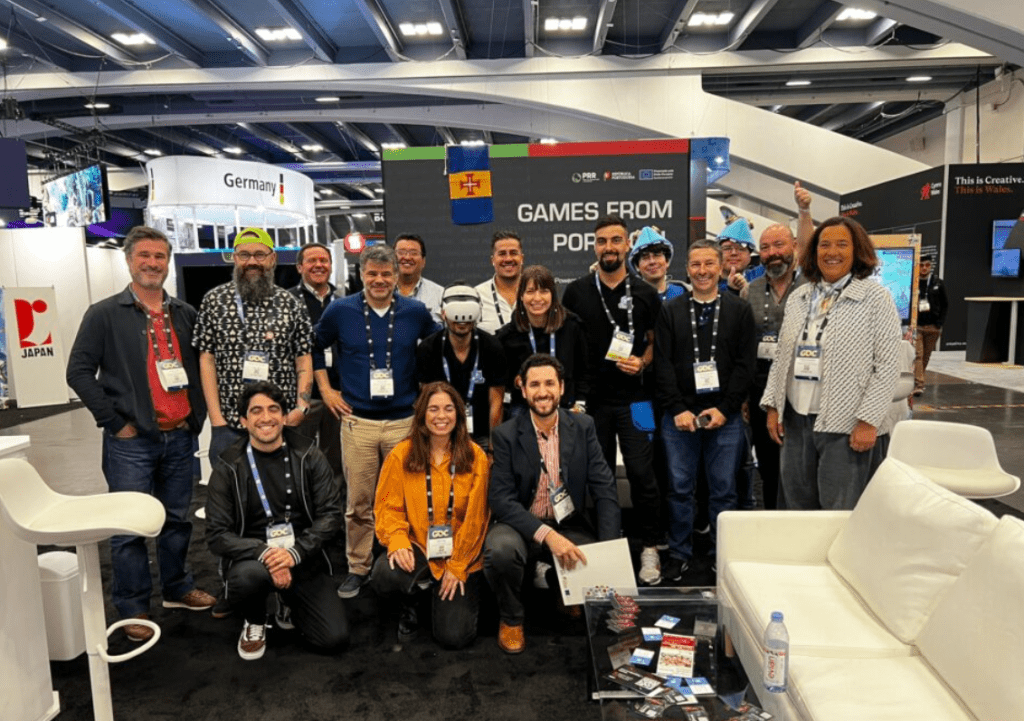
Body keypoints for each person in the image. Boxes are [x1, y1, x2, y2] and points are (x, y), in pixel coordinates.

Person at [66, 225, 215, 642]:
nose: (152, 263)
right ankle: (132, 607)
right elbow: (78, 372)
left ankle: (178, 588)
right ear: (129, 260)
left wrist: (196, 417)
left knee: (177, 519)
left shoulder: (185, 314)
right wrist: (115, 423)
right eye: (144, 256)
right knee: (128, 525)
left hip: (179, 435)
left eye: (159, 256)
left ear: (168, 262)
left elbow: (202, 366)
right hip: (130, 442)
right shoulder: (104, 314)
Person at [312, 243, 439, 599]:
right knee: (359, 501)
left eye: (386, 274)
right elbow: (313, 346)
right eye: (372, 274)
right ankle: (358, 566)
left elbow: (437, 346)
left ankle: (412, 561)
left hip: (404, 421)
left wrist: (428, 396)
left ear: (397, 276)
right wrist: (326, 390)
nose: (379, 280)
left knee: (411, 498)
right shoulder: (340, 311)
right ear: (361, 275)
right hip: (358, 422)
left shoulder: (414, 311)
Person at [761, 216, 902, 510]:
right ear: (814, 252)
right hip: (796, 420)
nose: (832, 252)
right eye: (824, 245)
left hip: (847, 424)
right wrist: (773, 406)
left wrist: (869, 421)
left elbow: (888, 366)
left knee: (840, 510)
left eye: (842, 244)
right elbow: (782, 357)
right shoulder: (800, 297)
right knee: (797, 506)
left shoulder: (876, 298)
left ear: (857, 250)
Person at [483, 355, 621, 654]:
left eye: (549, 383)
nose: (542, 392)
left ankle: (562, 586)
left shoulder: (583, 426)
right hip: (521, 526)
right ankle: (511, 617)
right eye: (534, 385)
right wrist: (548, 536)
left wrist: (609, 549)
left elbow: (604, 487)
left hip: (568, 523)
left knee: (590, 570)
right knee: (500, 551)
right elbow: (501, 499)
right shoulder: (506, 434)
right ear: (523, 390)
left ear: (561, 388)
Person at [205, 382, 348, 660]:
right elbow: (216, 534)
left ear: (284, 417)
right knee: (248, 578)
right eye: (256, 411)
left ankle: (287, 600)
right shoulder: (228, 466)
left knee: (334, 639)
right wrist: (264, 552)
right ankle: (255, 620)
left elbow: (331, 515)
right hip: (253, 560)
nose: (266, 417)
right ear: (243, 420)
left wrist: (294, 553)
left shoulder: (309, 455)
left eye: (273, 409)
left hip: (302, 555)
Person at [562, 215, 663, 586]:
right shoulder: (576, 292)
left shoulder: (645, 292)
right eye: (602, 241)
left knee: (643, 473)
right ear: (595, 246)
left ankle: (650, 546)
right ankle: (608, 545)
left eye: (616, 240)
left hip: (638, 401)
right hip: (595, 403)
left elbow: (654, 342)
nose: (609, 247)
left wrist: (643, 362)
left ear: (627, 245)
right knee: (599, 476)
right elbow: (569, 347)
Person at [654, 239, 756, 580]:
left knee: (723, 490)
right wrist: (677, 409)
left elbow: (745, 365)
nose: (702, 271)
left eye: (709, 264)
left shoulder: (739, 310)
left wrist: (726, 409)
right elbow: (663, 365)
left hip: (724, 417)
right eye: (695, 265)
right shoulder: (671, 310)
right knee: (679, 489)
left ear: (721, 267)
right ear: (687, 269)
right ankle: (679, 553)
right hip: (680, 418)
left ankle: (720, 555)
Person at [371, 382, 490, 648]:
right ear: (422, 414)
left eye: (449, 409)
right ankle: (411, 600)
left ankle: (439, 592)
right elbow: (387, 506)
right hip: (419, 545)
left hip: (461, 552)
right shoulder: (401, 454)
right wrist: (397, 539)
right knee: (384, 574)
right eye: (433, 409)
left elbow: (476, 519)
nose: (441, 416)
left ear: (458, 414)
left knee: (454, 637)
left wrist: (457, 566)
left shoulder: (476, 457)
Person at [194, 227, 314, 467]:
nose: (252, 262)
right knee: (230, 488)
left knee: (284, 487)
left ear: (273, 258)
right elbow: (207, 360)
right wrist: (216, 419)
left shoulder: (291, 304)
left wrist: (302, 407)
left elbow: (303, 358)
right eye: (244, 255)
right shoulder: (213, 301)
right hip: (229, 425)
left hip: (280, 424)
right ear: (234, 258)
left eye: (260, 254)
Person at [745, 224, 807, 509]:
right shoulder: (751, 291)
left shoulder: (811, 287)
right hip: (761, 390)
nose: (772, 253)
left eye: (779, 245)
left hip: (803, 388)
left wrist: (804, 212)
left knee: (800, 467)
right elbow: (744, 345)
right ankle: (771, 517)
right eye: (765, 248)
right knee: (768, 465)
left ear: (794, 246)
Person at [416, 285, 506, 449]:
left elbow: (496, 402)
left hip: (481, 434)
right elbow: (426, 400)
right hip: (442, 434)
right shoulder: (428, 349)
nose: (462, 322)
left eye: (468, 316)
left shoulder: (492, 347)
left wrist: (493, 448)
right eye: (455, 316)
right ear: (443, 313)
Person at [495, 265, 589, 415]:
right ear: (521, 295)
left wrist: (580, 403)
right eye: (530, 291)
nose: (537, 298)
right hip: (525, 407)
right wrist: (516, 381)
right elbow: (501, 380)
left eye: (544, 291)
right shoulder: (507, 336)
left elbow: (585, 370)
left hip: (566, 405)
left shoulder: (572, 327)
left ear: (553, 295)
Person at [288, 242, 344, 492]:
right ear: (300, 267)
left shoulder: (345, 302)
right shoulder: (287, 302)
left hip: (340, 395)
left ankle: (334, 508)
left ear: (331, 266)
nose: (319, 265)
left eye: (324, 260)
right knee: (299, 458)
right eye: (312, 260)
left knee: (337, 460)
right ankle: (302, 507)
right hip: (302, 397)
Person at [475, 230, 524, 334]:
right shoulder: (477, 295)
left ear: (522, 258)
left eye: (513, 253)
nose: (508, 259)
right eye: (502, 254)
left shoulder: (536, 294)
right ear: (492, 260)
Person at [914, 254, 948, 396]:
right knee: (918, 355)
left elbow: (945, 304)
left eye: (927, 265)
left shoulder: (937, 283)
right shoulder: (914, 282)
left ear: (930, 266)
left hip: (933, 327)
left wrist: (939, 323)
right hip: (917, 326)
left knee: (925, 357)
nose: (924, 268)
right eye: (921, 265)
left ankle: (918, 379)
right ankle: (919, 384)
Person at [394, 233, 444, 324]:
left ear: (423, 261)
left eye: (414, 253)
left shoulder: (440, 295)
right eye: (401, 252)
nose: (407, 257)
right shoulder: (379, 293)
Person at [628, 226, 686, 301]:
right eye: (645, 257)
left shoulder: (684, 293)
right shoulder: (630, 299)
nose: (652, 261)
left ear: (667, 261)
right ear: (637, 267)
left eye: (657, 255)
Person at [717, 218, 759, 298]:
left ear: (749, 256)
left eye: (741, 249)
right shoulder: (708, 283)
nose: (734, 253)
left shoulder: (758, 276)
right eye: (727, 248)